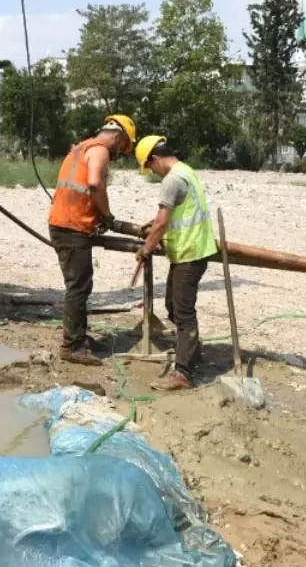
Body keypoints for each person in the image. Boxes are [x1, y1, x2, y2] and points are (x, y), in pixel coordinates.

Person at [48, 114, 140, 366]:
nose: (119, 153)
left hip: (65, 223)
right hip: (72, 227)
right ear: (117, 136)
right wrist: (109, 217)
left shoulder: (80, 147)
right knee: (77, 287)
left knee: (81, 285)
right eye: (122, 147)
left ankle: (78, 335)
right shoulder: (99, 150)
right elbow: (95, 184)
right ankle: (71, 346)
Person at [134, 135, 218, 390]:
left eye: (150, 166)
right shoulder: (186, 171)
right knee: (173, 304)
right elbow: (173, 214)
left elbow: (162, 221)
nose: (152, 172)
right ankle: (192, 352)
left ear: (156, 158)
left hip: (190, 252)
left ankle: (183, 373)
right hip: (190, 250)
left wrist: (147, 248)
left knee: (183, 312)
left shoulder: (172, 179)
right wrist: (156, 224)